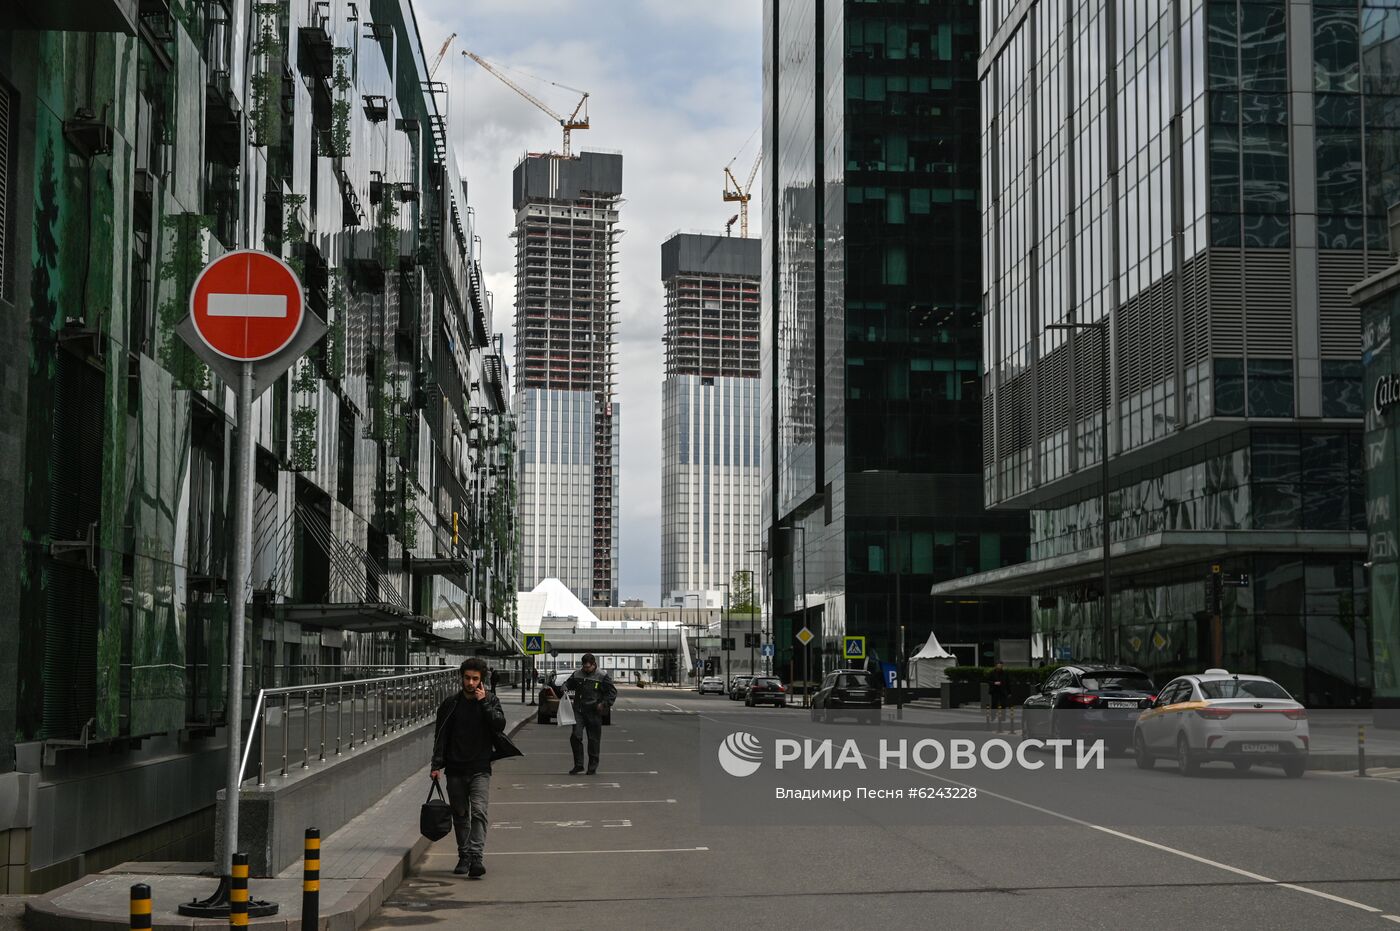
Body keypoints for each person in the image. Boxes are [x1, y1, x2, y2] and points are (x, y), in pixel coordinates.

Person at [431, 658, 506, 878]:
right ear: (461, 678)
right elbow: (440, 736)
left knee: (479, 812)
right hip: (455, 768)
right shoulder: (450, 705)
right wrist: (436, 765)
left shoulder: (490, 700)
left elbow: (500, 725)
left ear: (481, 680)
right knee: (461, 814)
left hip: (480, 767)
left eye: (475, 679)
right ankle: (463, 856)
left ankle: (476, 858)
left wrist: (484, 703)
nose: (471, 683)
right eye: (467, 678)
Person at [560, 653, 617, 775]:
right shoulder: (577, 674)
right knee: (576, 736)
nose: (586, 670)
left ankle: (592, 766)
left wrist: (604, 704)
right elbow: (569, 683)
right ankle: (579, 765)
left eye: (588, 667)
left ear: (594, 665)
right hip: (579, 711)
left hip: (594, 712)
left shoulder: (602, 676)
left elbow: (612, 692)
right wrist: (565, 686)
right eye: (584, 667)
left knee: (593, 740)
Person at [986, 661, 1010, 733]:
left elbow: (1008, 683)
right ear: (996, 666)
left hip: (1002, 691)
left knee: (1003, 704)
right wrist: (994, 683)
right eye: (998, 666)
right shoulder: (992, 673)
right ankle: (993, 716)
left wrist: (1009, 692)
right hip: (995, 691)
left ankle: (1002, 717)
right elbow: (988, 681)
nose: (1000, 667)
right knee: (994, 704)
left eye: (1001, 666)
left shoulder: (1005, 673)